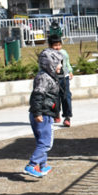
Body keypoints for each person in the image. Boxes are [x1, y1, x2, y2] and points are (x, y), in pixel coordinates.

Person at [25, 48, 63, 178]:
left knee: (41, 141)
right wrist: (38, 113)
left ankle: (42, 165)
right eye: (58, 63)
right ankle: (31, 165)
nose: (61, 66)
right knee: (46, 143)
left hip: (43, 113)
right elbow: (37, 96)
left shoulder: (48, 76)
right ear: (50, 64)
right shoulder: (44, 78)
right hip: (43, 114)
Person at [48, 34, 73, 127]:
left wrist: (70, 71)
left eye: (59, 45)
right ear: (50, 46)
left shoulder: (64, 53)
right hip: (53, 79)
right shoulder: (48, 55)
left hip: (64, 77)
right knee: (55, 97)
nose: (58, 47)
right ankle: (56, 114)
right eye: (55, 45)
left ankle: (67, 117)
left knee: (66, 97)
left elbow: (67, 63)